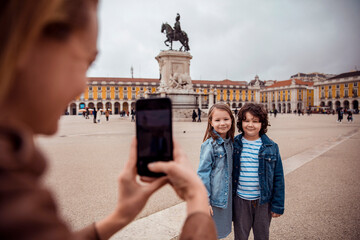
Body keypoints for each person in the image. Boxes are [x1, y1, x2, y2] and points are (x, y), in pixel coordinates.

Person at [0, 1, 217, 239]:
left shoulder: (13, 168)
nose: (83, 86)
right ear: (27, 44)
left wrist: (120, 216)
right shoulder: (9, 188)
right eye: (86, 61)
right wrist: (197, 198)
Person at [232, 103, 285, 240]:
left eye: (255, 121)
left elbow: (278, 177)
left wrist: (278, 205)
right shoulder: (234, 144)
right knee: (240, 236)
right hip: (240, 200)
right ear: (240, 122)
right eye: (246, 120)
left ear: (262, 123)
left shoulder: (271, 147)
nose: (250, 125)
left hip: (263, 201)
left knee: (262, 236)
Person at [197, 103, 235, 239]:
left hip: (226, 196)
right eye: (217, 120)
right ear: (211, 122)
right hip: (214, 198)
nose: (222, 123)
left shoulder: (232, 142)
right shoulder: (209, 145)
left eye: (226, 119)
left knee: (220, 232)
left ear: (232, 119)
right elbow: (202, 175)